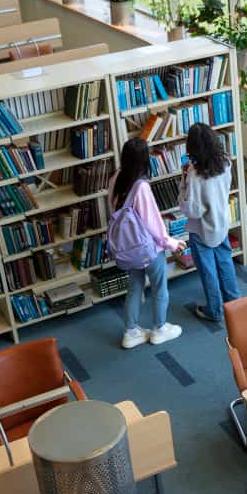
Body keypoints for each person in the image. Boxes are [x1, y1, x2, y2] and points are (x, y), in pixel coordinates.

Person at [109, 138, 186, 348]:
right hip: (148, 249)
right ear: (144, 160)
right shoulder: (141, 187)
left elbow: (114, 211)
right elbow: (153, 223)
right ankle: (159, 329)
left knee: (134, 288)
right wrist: (171, 243)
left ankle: (130, 332)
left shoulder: (115, 177)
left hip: (128, 249)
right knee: (160, 287)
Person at [178, 122, 240, 321]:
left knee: (208, 271)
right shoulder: (225, 162)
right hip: (221, 221)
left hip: (202, 229)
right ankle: (235, 304)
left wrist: (183, 181)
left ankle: (214, 310)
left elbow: (192, 210)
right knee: (225, 262)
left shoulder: (194, 175)